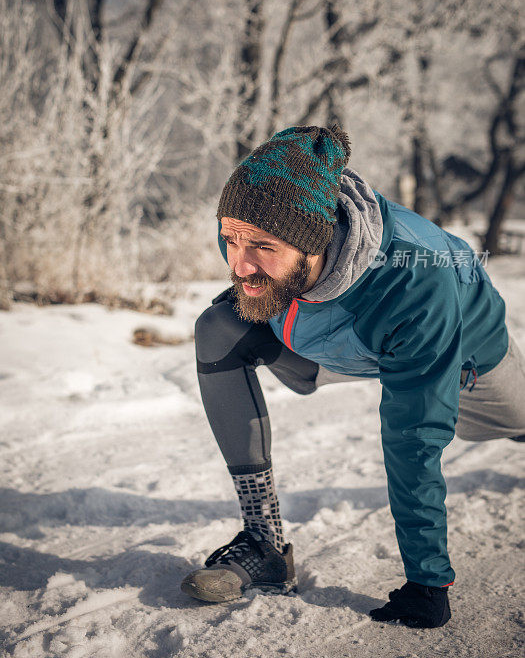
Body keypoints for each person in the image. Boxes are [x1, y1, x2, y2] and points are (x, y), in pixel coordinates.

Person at [180, 124, 525, 628]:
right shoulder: (256, 228)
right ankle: (265, 544)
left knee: (517, 419)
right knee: (219, 328)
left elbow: (415, 435)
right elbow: (249, 249)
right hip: (335, 341)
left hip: (463, 357)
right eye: (230, 239)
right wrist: (256, 259)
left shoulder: (418, 280)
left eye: (260, 246)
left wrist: (428, 580)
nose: (239, 262)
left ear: (313, 241)